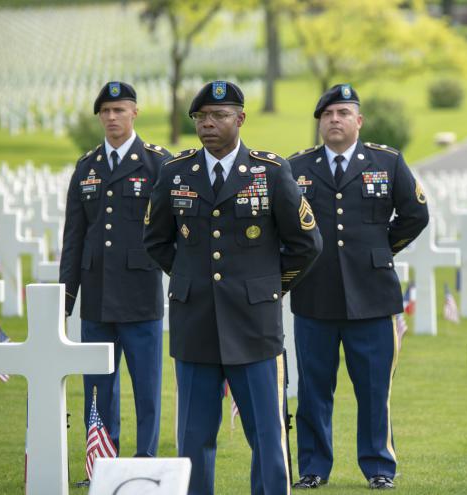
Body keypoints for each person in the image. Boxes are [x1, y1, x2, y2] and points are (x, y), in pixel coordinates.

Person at [143, 80, 322, 495]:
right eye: (201, 117)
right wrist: (190, 279)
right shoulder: (175, 172)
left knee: (266, 437)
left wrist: (269, 288)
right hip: (196, 325)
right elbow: (155, 240)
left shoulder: (271, 171)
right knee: (194, 438)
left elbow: (307, 244)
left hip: (254, 326)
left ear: (240, 119)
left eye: (219, 116)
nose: (208, 124)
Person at [288, 84, 430, 490]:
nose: (335, 119)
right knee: (314, 391)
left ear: (358, 121)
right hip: (315, 296)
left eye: (343, 113)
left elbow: (416, 213)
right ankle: (314, 467)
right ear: (319, 122)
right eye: (327, 114)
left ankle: (379, 466)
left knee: (373, 390)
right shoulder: (296, 168)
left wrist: (382, 249)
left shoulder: (386, 162)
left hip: (373, 296)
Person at [60, 81, 170, 460]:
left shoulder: (158, 164)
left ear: (134, 112)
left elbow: (174, 232)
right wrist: (65, 300)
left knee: (146, 388)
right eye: (105, 111)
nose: (111, 117)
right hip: (97, 298)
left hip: (141, 297)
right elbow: (74, 237)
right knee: (97, 389)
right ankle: (101, 462)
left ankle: (146, 462)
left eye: (118, 109)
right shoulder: (86, 167)